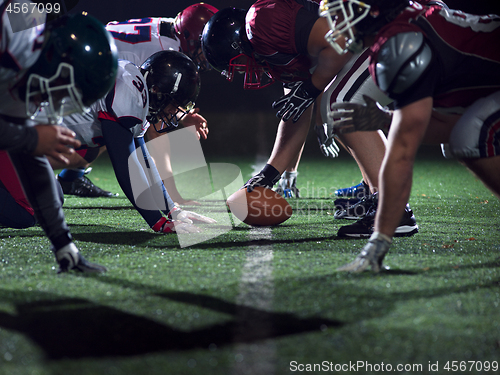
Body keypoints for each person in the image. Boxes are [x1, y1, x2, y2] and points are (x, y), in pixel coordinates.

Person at [201, 4, 418, 237]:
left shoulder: (261, 22)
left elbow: (341, 40)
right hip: (378, 34)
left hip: (396, 24)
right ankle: (377, 197)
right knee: (333, 104)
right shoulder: (270, 52)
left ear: (237, 44)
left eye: (237, 66)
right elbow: (296, 114)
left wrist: (310, 89)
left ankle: (394, 210)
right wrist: (270, 174)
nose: (244, 73)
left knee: (340, 104)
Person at [319, 0, 500, 271]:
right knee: (464, 135)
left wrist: (377, 244)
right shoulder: (402, 34)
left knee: (472, 136)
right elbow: (446, 126)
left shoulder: (400, 43)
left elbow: (403, 151)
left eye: (344, 12)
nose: (336, 23)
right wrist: (386, 119)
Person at [57, 3, 218, 202]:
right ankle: (28, 169)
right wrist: (172, 195)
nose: (207, 54)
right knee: (106, 129)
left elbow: (156, 100)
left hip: (89, 56)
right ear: (190, 39)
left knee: (108, 127)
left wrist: (180, 115)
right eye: (203, 47)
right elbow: (155, 125)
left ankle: (67, 178)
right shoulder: (167, 51)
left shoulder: (172, 30)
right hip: (76, 65)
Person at [0, 3, 118, 273]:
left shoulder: (30, 61)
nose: (58, 102)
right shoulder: (13, 39)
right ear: (57, 62)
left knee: (47, 194)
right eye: (64, 91)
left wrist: (63, 244)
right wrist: (30, 138)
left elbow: (30, 156)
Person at [53, 50, 216, 234]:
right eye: (174, 104)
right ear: (159, 91)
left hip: (49, 136)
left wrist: (173, 211)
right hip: (28, 136)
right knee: (39, 206)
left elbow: (144, 160)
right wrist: (158, 222)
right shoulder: (129, 94)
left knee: (51, 195)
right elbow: (127, 166)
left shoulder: (139, 89)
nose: (174, 112)